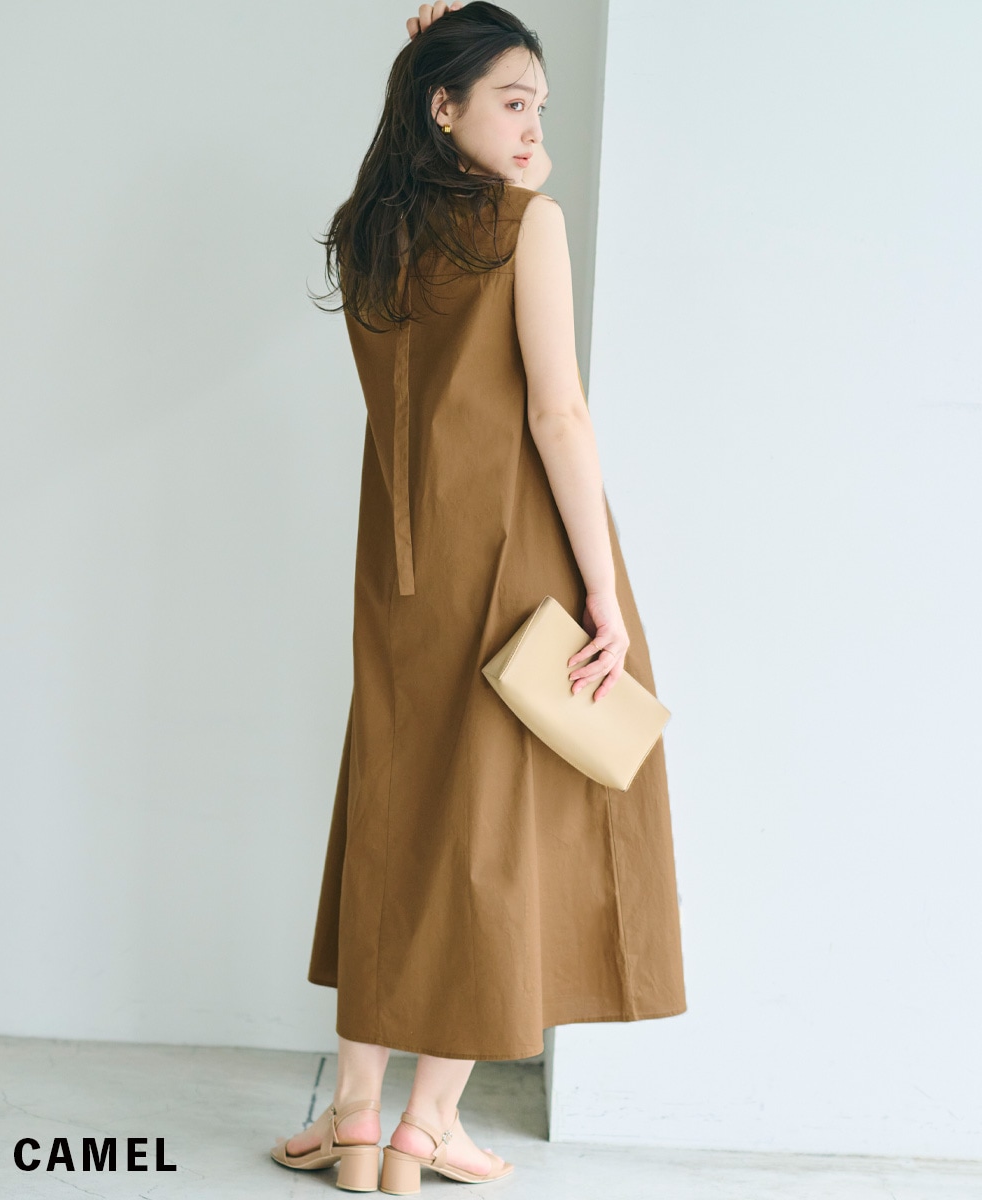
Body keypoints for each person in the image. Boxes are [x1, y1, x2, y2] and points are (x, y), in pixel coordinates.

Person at [271, 2, 686, 1192]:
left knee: (396, 821)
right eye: (512, 101)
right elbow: (557, 412)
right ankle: (427, 1127)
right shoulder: (523, 226)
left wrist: (450, 76)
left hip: (401, 568)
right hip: (517, 558)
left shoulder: (371, 231)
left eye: (540, 104)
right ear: (442, 107)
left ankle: (356, 1117)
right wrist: (603, 592)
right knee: (494, 836)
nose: (533, 124)